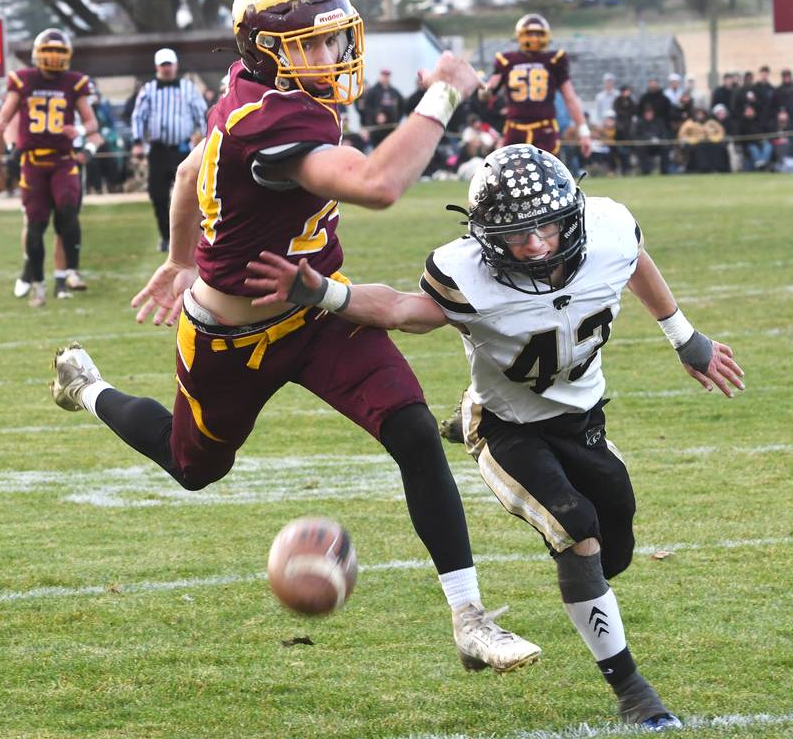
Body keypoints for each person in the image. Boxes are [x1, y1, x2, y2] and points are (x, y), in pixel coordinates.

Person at [50, 0, 540, 674]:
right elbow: (379, 185)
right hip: (233, 340)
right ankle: (87, 387)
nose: (332, 53)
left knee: (412, 429)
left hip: (317, 307)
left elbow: (188, 174)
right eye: (311, 42)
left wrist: (181, 256)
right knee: (192, 466)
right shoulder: (271, 118)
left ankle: (470, 619)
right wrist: (443, 92)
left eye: (333, 38)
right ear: (266, 51)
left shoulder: (260, 92)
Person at [245, 143, 744, 731]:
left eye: (546, 228)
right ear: (486, 236)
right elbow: (403, 309)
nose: (535, 245)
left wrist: (685, 337)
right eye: (515, 234)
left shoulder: (609, 228)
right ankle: (634, 692)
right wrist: (326, 293)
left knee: (616, 549)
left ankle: (495, 454)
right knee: (577, 530)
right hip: (508, 426)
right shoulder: (466, 274)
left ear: (571, 216)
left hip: (582, 417)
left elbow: (634, 261)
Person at [0, 28, 102, 307]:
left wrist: (78, 130)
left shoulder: (74, 82)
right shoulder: (24, 79)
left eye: (58, 52)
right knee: (36, 223)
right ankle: (37, 284)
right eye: (49, 51)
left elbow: (91, 122)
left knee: (67, 208)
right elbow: (3, 118)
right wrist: (7, 140)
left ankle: (70, 272)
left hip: (63, 159)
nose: (53, 57)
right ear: (37, 54)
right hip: (32, 161)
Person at [130, 47, 208, 252]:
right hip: (158, 149)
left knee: (191, 194)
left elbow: (201, 113)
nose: (166, 68)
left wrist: (205, 137)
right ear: (157, 67)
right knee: (158, 195)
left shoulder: (188, 88)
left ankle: (197, 235)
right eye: (163, 65)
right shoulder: (148, 90)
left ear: (176, 65)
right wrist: (137, 142)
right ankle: (166, 236)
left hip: (183, 149)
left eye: (169, 64)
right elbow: (138, 117)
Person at [485, 13, 592, 158]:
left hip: (544, 130)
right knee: (510, 170)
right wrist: (488, 89)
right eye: (530, 33)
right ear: (520, 35)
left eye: (539, 33)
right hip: (515, 130)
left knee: (547, 171)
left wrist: (584, 132)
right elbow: (484, 98)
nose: (534, 38)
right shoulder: (506, 61)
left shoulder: (554, 60)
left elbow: (570, 98)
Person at [362, 68, 405, 148]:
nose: (385, 77)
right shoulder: (372, 91)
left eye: (387, 75)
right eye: (384, 75)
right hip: (376, 129)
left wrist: (397, 119)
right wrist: (376, 115)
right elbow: (366, 108)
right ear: (380, 76)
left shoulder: (394, 91)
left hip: (390, 128)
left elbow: (402, 106)